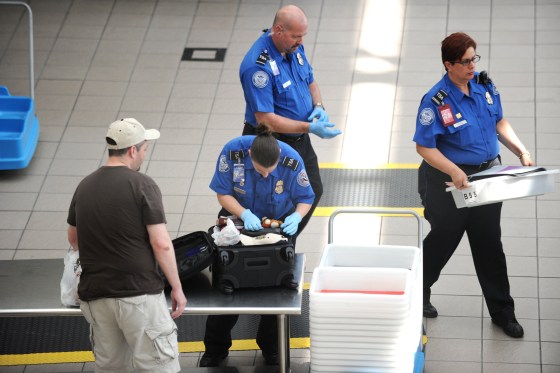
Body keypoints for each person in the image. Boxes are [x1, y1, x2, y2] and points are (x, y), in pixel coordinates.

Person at [413, 32, 534, 338]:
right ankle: (417, 293)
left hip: (486, 178)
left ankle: (503, 312)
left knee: (489, 242)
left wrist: (520, 149)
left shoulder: (484, 85)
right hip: (447, 180)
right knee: (444, 240)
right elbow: (424, 147)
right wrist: (453, 170)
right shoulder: (435, 101)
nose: (471, 66)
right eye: (465, 62)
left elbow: (499, 122)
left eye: (474, 59)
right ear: (448, 64)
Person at [67, 118, 187, 372]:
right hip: (137, 295)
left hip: (96, 296)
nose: (144, 155)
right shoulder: (142, 184)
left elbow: (74, 240)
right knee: (158, 365)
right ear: (133, 150)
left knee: (112, 367)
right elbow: (161, 244)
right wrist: (176, 287)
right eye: (144, 149)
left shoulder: (84, 186)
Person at [199, 125, 315, 367]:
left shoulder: (291, 160)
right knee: (227, 287)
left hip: (276, 226)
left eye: (270, 172)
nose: (265, 176)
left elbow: (306, 198)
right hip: (238, 221)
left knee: (276, 291)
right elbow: (223, 193)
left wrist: (296, 217)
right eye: (260, 172)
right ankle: (215, 350)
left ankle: (272, 348)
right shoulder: (233, 152)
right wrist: (245, 214)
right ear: (251, 154)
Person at [239, 4, 342, 236]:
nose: (301, 41)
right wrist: (310, 127)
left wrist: (318, 106)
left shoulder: (293, 47)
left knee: (312, 189)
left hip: (298, 140)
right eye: (296, 36)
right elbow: (266, 120)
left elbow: (310, 80)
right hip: (270, 140)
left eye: (303, 35)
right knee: (265, 197)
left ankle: (284, 240)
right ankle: (268, 241)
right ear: (278, 30)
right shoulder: (258, 67)